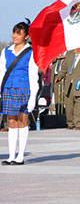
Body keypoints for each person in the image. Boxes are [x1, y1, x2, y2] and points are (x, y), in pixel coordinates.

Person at [0, 20, 38, 165]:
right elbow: (2, 71)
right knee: (11, 122)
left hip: (23, 89)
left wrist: (33, 96)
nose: (15, 36)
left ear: (26, 36)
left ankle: (20, 155)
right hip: (8, 89)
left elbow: (33, 75)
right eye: (14, 33)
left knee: (22, 121)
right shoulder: (6, 51)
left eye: (18, 33)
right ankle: (11, 155)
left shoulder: (31, 52)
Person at [56, 47, 80, 130]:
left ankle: (79, 123)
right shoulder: (69, 54)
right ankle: (70, 123)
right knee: (69, 105)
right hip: (68, 84)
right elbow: (64, 68)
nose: (75, 48)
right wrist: (59, 77)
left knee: (79, 105)